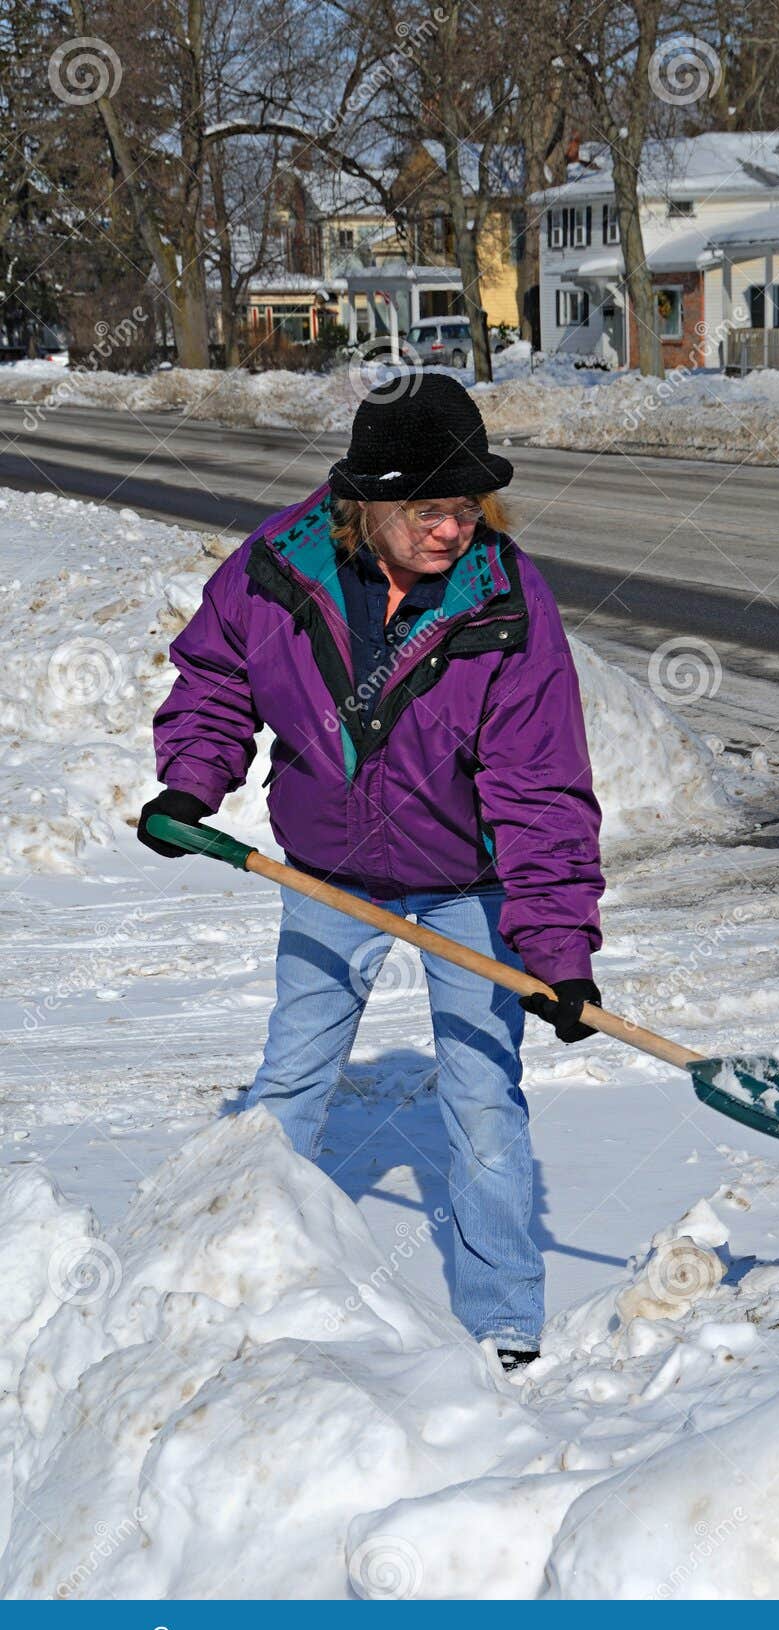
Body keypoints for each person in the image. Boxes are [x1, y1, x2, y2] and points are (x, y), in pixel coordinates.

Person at [137, 374, 605, 1373]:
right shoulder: (278, 572)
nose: (453, 527)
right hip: (326, 874)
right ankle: (244, 1274)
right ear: (368, 505)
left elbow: (543, 787)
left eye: (467, 503)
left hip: (467, 881)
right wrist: (191, 784)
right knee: (292, 1081)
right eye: (430, 507)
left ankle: (505, 1323)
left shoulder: (503, 602)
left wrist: (559, 952)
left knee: (482, 1095)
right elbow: (216, 677)